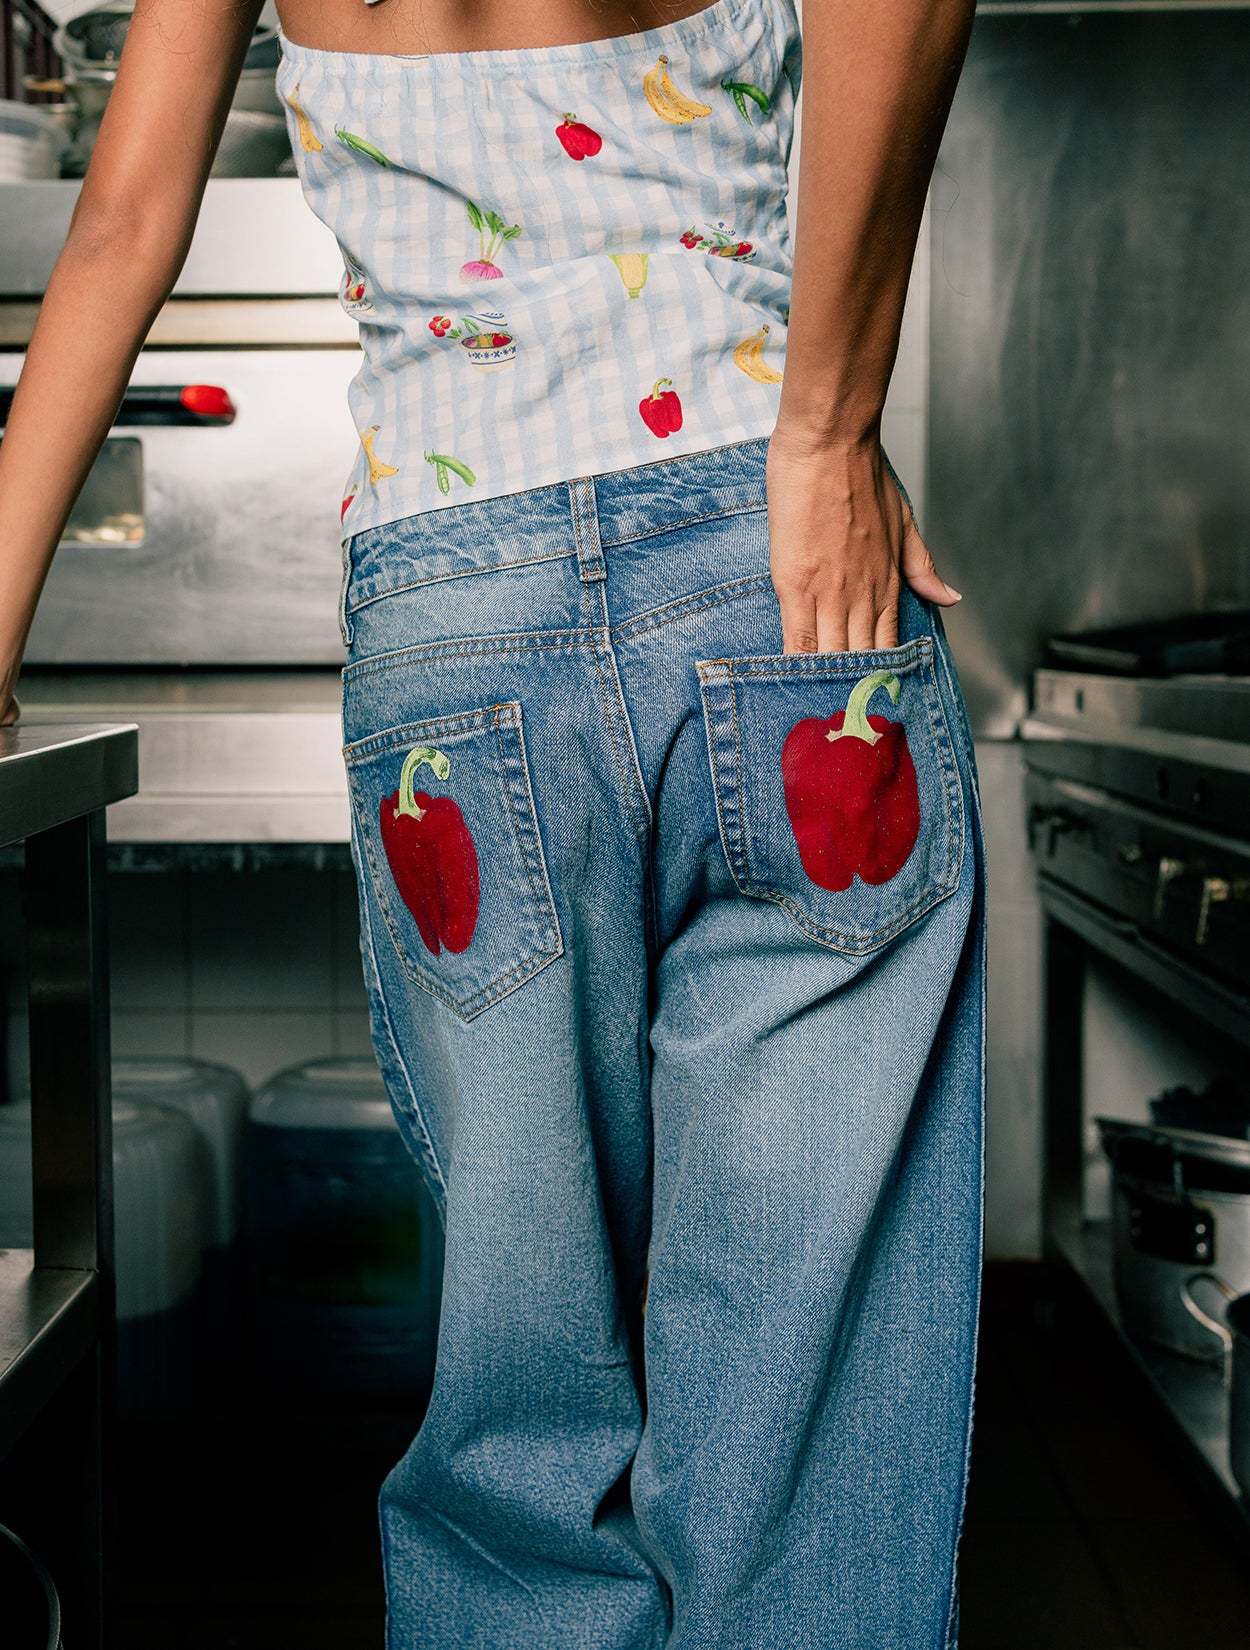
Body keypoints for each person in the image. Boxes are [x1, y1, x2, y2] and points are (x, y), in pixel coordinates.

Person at [0, 0, 983, 1643]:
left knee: (529, 1384)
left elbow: (121, 224)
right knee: (803, 1384)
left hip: (463, 631)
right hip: (778, 573)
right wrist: (825, 428)